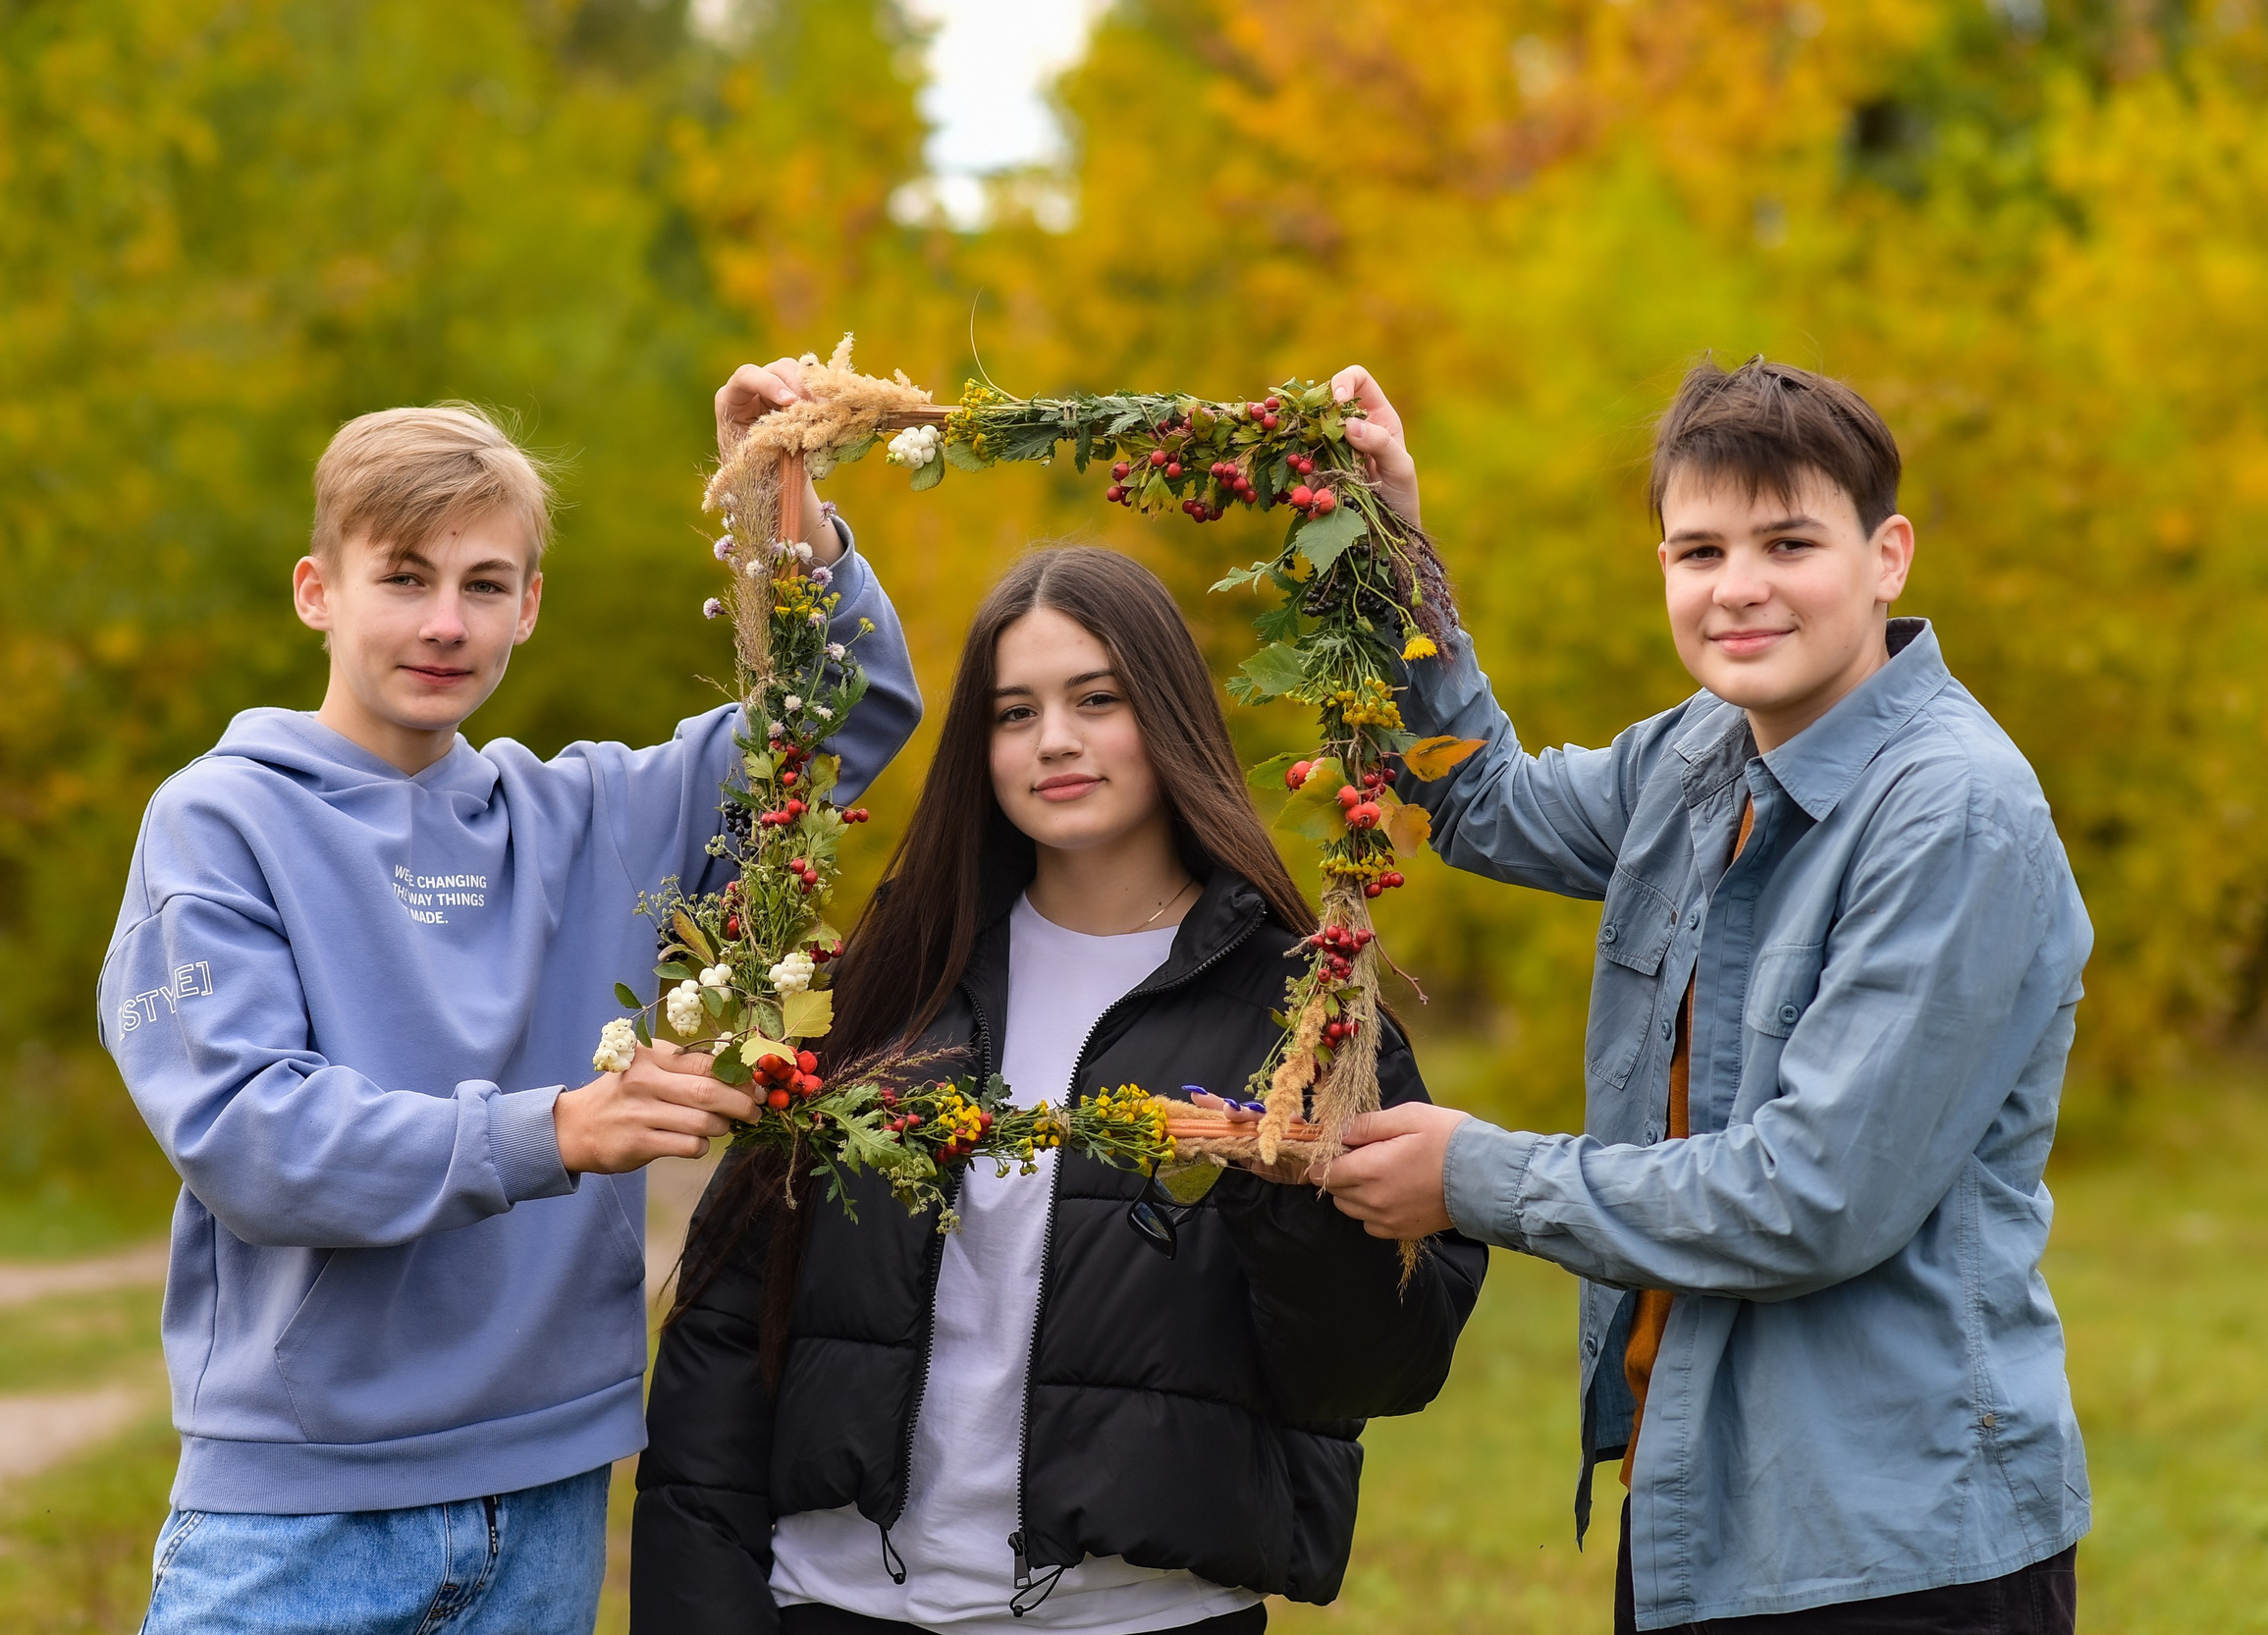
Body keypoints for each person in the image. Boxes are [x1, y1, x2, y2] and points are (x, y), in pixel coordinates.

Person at [100, 363, 922, 1634]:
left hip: (546, 1497)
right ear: (319, 591)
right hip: (298, 1515)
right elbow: (251, 1138)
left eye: (484, 585)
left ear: (529, 607)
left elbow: (846, 713)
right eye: (405, 577)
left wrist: (781, 503)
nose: (446, 621)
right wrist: (551, 1131)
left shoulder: (585, 814)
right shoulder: (221, 821)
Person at [1315, 357, 2092, 1632]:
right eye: (1699, 549)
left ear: (1886, 553)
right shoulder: (1699, 755)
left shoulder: (1954, 816)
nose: (1738, 586)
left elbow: (1809, 1197)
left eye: (1789, 541)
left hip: (1899, 1555)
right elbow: (1478, 793)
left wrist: (1473, 1176)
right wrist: (1388, 536)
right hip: (1701, 1510)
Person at [630, 546, 1485, 1635]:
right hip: (839, 1604)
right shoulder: (881, 990)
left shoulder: (1306, 1019)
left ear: (1168, 714)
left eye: (1097, 699)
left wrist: (1276, 1191)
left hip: (1140, 1617)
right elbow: (724, 1333)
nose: (1056, 742)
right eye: (1013, 712)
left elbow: (1381, 1367)